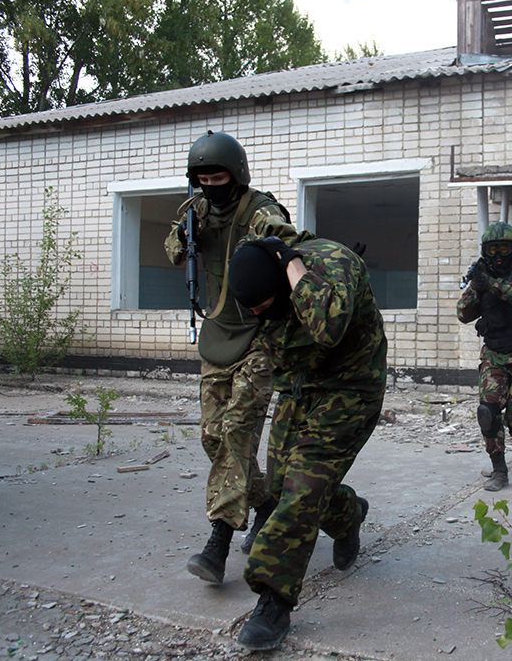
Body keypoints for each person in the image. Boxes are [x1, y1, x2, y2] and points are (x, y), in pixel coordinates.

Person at [226, 233, 387, 651]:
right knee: (283, 488)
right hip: (301, 387)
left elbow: (328, 327)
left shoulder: (333, 264)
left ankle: (273, 601)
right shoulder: (258, 288)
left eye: (265, 305)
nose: (261, 314)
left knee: (304, 487)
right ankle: (348, 515)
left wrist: (293, 267)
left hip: (351, 388)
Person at [164, 131, 296, 584]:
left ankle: (218, 539)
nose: (210, 184)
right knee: (212, 438)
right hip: (219, 333)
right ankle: (264, 505)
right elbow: (171, 252)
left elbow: (284, 236)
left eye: (217, 176)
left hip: (259, 335)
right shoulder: (196, 209)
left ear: (236, 174)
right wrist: (187, 235)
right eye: (202, 178)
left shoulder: (259, 208)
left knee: (238, 432)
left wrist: (275, 241)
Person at [457, 222, 512, 492]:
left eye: (503, 248)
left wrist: (492, 284)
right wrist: (478, 288)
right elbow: (463, 313)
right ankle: (499, 470)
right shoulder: (482, 272)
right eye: (492, 249)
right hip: (494, 352)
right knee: (488, 412)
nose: (497, 255)